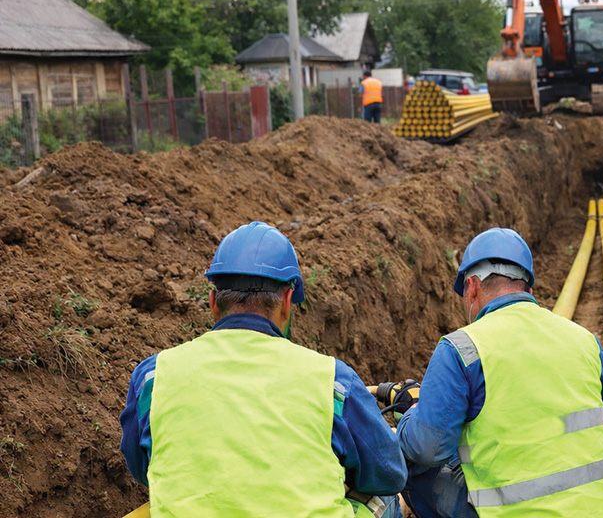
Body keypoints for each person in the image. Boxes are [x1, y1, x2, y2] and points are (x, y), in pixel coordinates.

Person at [119, 221, 406, 517]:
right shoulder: (333, 380)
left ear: (213, 302)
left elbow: (143, 470)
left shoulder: (153, 376)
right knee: (385, 499)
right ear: (286, 301)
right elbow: (390, 474)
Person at [397, 227, 603, 518]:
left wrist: (412, 413)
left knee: (414, 467)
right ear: (529, 289)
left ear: (471, 287)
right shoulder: (585, 339)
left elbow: (428, 448)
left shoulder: (460, 348)